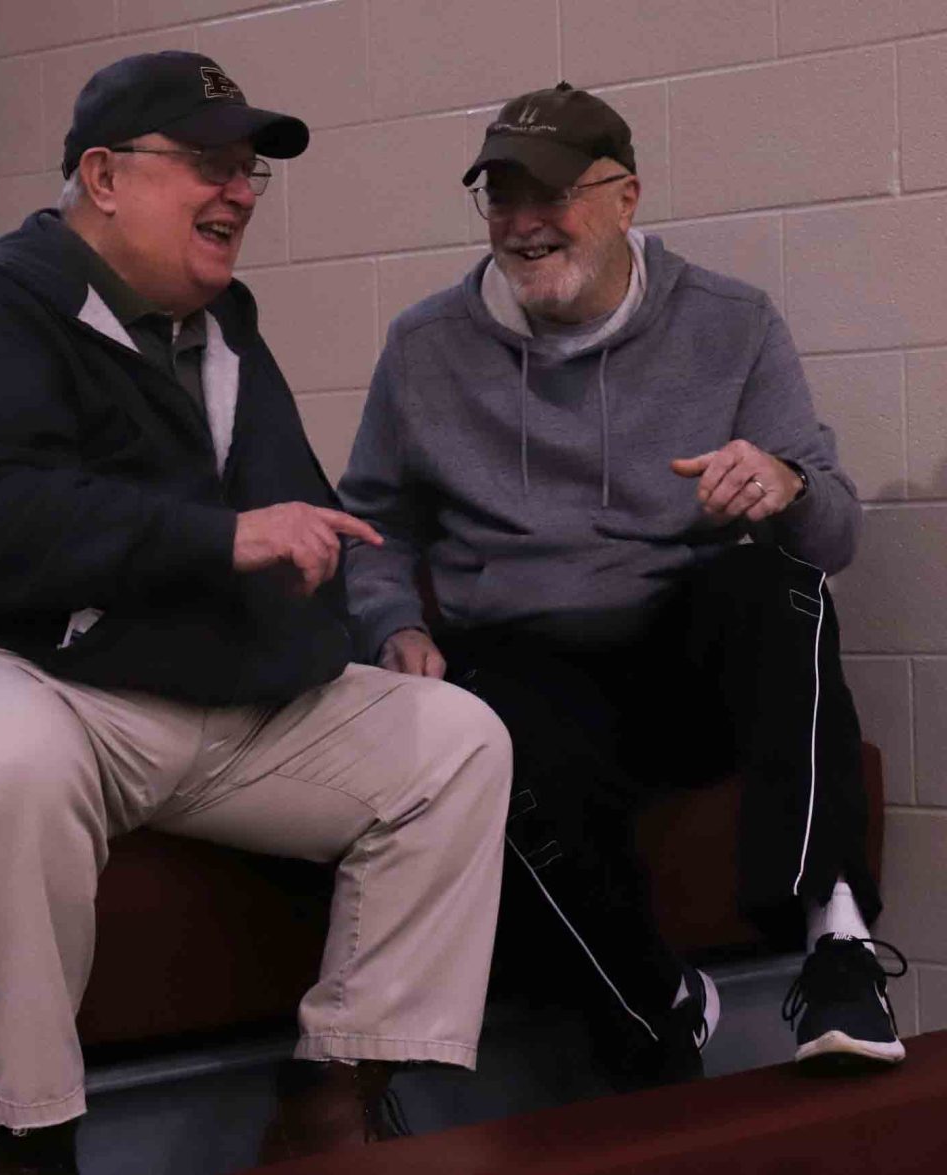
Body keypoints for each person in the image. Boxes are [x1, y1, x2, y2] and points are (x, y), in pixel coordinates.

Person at [0, 51, 512, 1174]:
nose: (238, 191)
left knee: (456, 740)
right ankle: (33, 1145)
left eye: (250, 171)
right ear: (103, 175)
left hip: (150, 699)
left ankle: (333, 1097)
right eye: (208, 164)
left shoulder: (223, 334)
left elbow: (313, 520)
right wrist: (219, 537)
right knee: (9, 754)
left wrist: (380, 630)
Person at [339, 82, 907, 1088]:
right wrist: (390, 623)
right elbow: (375, 520)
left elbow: (837, 532)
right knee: (467, 724)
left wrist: (783, 484)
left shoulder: (732, 322)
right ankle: (655, 1008)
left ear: (627, 196)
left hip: (684, 659)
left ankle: (836, 939)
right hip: (526, 665)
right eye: (502, 198)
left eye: (550, 195)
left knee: (778, 581)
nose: (524, 225)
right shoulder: (425, 346)